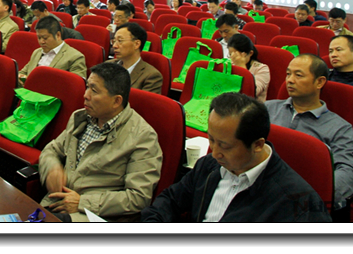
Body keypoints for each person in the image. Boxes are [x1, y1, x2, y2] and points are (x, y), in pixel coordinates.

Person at [141, 92, 331, 222]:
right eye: (211, 140)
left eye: (225, 146)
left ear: (257, 145)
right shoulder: (210, 165)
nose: (215, 152)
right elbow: (170, 200)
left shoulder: (297, 202)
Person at [39, 63, 163, 222]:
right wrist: (52, 168)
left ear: (116, 101)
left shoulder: (142, 137)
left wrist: (82, 203)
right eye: (87, 87)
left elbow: (138, 197)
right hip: (56, 203)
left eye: (94, 90)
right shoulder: (81, 118)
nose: (86, 95)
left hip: (93, 215)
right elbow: (52, 150)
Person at [265, 54, 353, 210]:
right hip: (260, 189)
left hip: (301, 203)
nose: (289, 80)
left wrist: (310, 197)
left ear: (319, 82)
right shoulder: (267, 109)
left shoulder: (339, 128)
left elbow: (347, 173)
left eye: (298, 75)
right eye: (288, 74)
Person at [18, 16, 86, 84]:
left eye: (45, 38)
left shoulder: (75, 57)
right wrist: (21, 77)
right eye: (39, 38)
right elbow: (23, 72)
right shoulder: (37, 52)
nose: (41, 41)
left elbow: (76, 85)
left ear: (58, 35)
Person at [110, 22, 162, 94]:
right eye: (114, 41)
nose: (114, 46)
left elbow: (144, 101)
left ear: (136, 44)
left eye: (120, 41)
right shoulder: (108, 65)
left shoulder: (151, 76)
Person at [227, 34, 271, 101]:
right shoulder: (229, 64)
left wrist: (241, 67)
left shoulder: (262, 69)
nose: (234, 59)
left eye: (238, 55)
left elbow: (252, 92)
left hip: (250, 104)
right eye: (231, 54)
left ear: (250, 53)